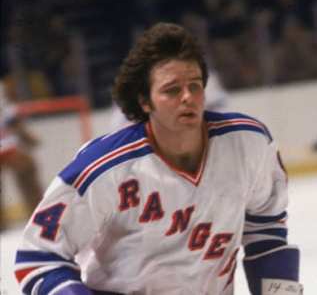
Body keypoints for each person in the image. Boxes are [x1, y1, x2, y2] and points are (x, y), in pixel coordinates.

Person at [15, 22, 302, 295]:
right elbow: (38, 257)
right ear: (144, 101)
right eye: (172, 90)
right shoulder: (103, 168)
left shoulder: (248, 143)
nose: (188, 97)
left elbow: (266, 230)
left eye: (195, 85)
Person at [0, 80, 43, 231]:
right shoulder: (3, 90)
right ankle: (38, 216)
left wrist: (26, 137)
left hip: (8, 146)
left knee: (27, 168)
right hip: (7, 146)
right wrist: (28, 138)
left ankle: (37, 215)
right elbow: (14, 122)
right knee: (27, 169)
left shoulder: (3, 90)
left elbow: (12, 120)